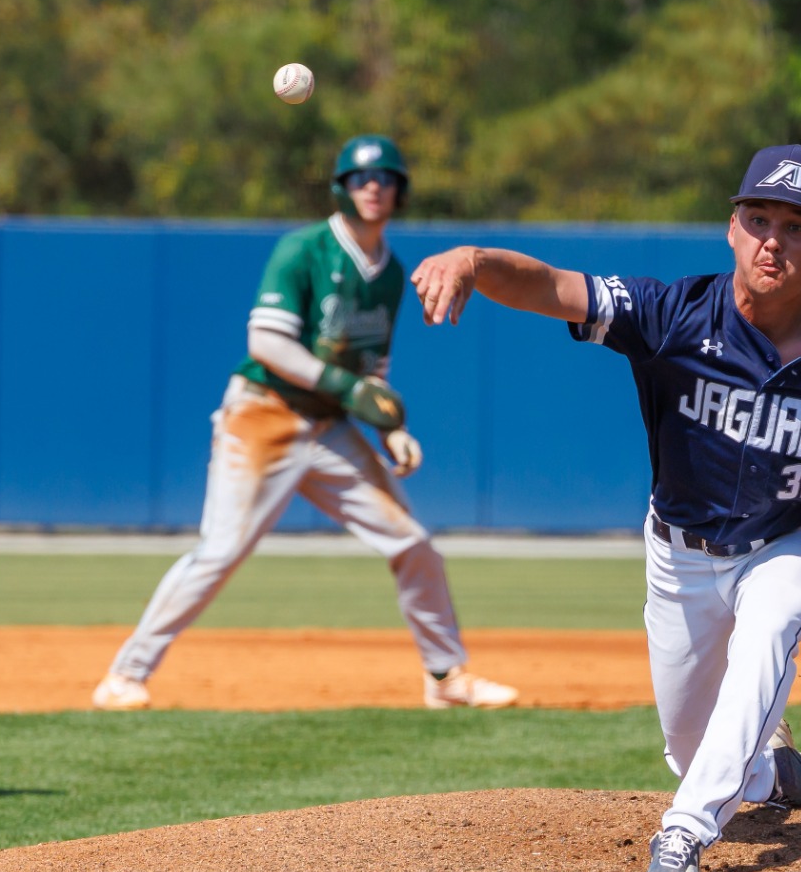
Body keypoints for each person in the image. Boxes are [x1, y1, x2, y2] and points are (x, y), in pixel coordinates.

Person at [409, 145, 801, 872]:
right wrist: (475, 260)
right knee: (688, 742)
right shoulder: (672, 313)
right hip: (679, 552)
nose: (773, 238)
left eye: (797, 226)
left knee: (767, 638)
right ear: (732, 230)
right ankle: (775, 773)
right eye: (758, 218)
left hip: (794, 539)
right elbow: (553, 287)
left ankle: (681, 836)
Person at [93, 135, 518, 712]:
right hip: (263, 414)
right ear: (341, 188)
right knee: (220, 550)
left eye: (386, 178)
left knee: (414, 544)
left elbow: (370, 369)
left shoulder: (390, 274)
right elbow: (266, 341)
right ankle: (124, 675)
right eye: (362, 178)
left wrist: (388, 426)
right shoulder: (305, 249)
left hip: (329, 427)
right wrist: (352, 391)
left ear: (399, 191)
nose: (374, 187)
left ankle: (445, 678)